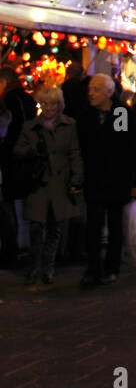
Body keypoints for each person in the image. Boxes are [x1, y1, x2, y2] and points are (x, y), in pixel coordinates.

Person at [78, 74, 136, 287]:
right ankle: (93, 268)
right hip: (94, 179)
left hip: (117, 179)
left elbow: (130, 146)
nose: (91, 93)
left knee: (115, 224)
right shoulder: (87, 114)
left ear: (108, 92)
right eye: (90, 88)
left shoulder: (119, 112)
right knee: (93, 226)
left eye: (96, 89)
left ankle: (111, 267)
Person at [14, 87, 83, 288]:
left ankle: (48, 267)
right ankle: (34, 266)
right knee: (36, 227)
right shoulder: (30, 127)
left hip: (60, 183)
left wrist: (77, 178)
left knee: (55, 228)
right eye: (44, 103)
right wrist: (33, 151)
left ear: (59, 105)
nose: (48, 108)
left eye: (52, 103)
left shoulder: (69, 126)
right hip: (38, 183)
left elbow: (74, 153)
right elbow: (17, 151)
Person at [0, 66, 37, 269]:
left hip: (11, 161)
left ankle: (10, 249)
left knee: (8, 207)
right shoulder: (27, 99)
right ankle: (23, 247)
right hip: (25, 160)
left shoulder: (9, 102)